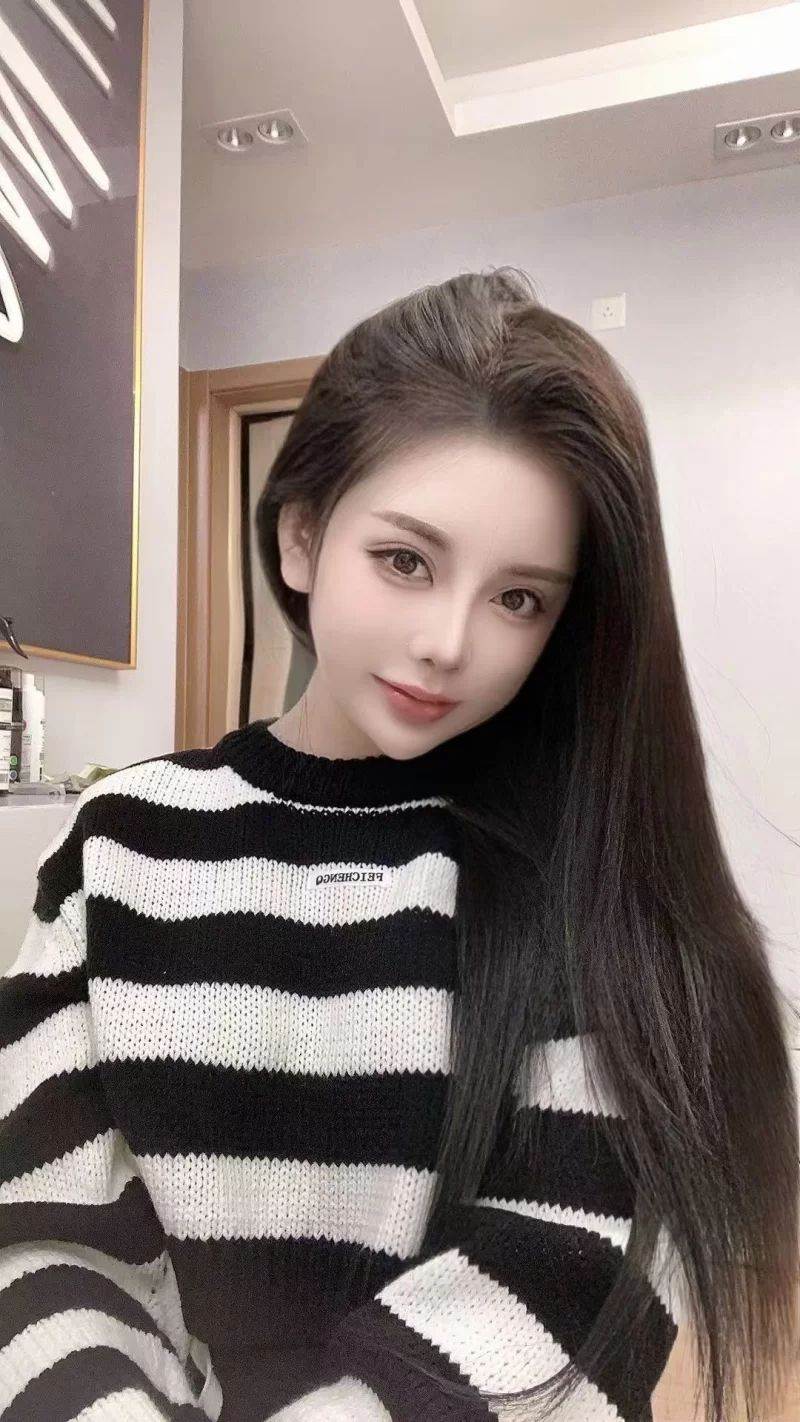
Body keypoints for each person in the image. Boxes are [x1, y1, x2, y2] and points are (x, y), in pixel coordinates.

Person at [1, 270, 797, 1422]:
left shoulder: (577, 882)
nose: (446, 642)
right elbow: (40, 1232)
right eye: (406, 561)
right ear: (300, 537)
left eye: (518, 599)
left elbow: (561, 1277)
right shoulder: (120, 839)